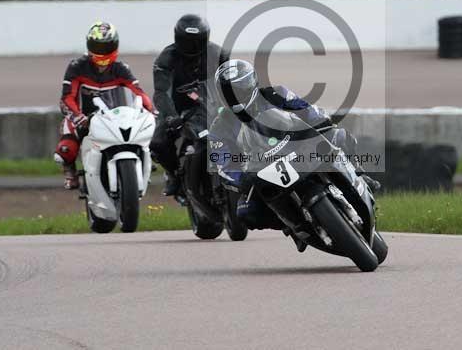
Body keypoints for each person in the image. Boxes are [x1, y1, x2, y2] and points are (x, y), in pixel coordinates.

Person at [208, 59, 375, 230]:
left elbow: (306, 109)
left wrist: (321, 123)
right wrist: (239, 178)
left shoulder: (275, 93)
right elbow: (221, 160)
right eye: (227, 92)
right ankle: (293, 225)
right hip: (262, 167)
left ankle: (359, 175)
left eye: (238, 89)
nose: (234, 96)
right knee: (247, 213)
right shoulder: (220, 125)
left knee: (340, 136)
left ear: (251, 84)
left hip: (298, 146)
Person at [54, 21, 156, 190]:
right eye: (97, 47)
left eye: (107, 47)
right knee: (65, 149)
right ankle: (70, 170)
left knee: (151, 133)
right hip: (84, 118)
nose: (102, 52)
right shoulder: (76, 67)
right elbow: (67, 98)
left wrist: (151, 110)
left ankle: (144, 162)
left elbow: (139, 93)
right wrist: (77, 116)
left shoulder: (121, 68)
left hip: (115, 117)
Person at [151, 14, 228, 196]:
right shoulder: (166, 58)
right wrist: (170, 116)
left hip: (209, 106)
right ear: (177, 39)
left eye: (196, 42)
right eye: (186, 42)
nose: (191, 47)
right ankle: (173, 175)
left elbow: (231, 84)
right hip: (176, 108)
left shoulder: (219, 55)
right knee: (158, 143)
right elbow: (161, 92)